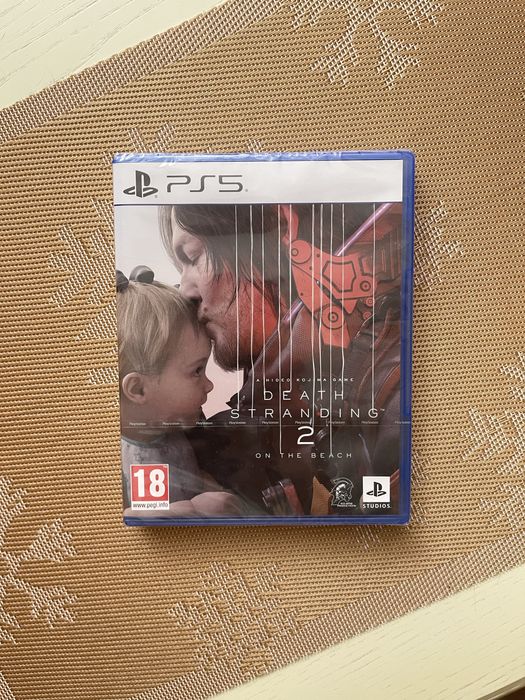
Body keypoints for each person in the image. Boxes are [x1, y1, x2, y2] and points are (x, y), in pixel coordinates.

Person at [159, 202, 403, 516]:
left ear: (280, 226)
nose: (185, 292)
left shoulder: (393, 391)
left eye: (193, 256)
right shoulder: (271, 399)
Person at [116, 266, 246, 518]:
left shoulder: (175, 434)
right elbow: (137, 519)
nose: (209, 385)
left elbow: (192, 479)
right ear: (138, 389)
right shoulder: (121, 460)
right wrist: (197, 509)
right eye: (197, 370)